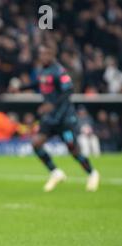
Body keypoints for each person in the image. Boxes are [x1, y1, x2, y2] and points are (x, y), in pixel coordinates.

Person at [10, 44, 99, 192]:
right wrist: (20, 89)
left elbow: (68, 91)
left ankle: (92, 173)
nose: (43, 57)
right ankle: (56, 172)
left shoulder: (59, 71)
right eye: (41, 54)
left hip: (64, 119)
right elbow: (37, 84)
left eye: (46, 54)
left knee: (73, 149)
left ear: (52, 55)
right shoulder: (43, 71)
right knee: (36, 143)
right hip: (50, 119)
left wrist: (52, 105)